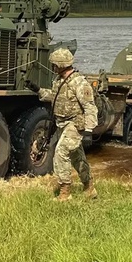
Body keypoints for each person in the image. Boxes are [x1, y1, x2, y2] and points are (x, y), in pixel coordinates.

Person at [31, 47, 98, 201]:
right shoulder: (59, 81)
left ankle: (65, 193)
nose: (53, 67)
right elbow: (55, 98)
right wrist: (38, 90)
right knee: (77, 157)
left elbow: (90, 107)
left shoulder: (79, 83)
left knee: (60, 154)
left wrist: (88, 131)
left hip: (75, 125)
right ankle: (89, 188)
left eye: (55, 65)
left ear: (61, 65)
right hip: (62, 123)